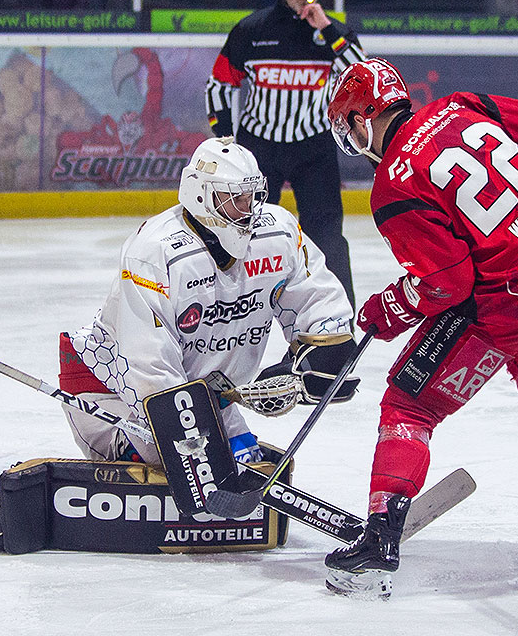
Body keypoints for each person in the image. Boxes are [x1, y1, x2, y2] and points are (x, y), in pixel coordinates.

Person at [321, 58, 518, 598]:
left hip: (505, 311)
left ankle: (380, 537)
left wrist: (387, 307)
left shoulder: (392, 187)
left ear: (362, 120)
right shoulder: (461, 105)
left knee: (409, 406)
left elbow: (446, 287)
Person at [56, 136, 356, 471]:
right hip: (108, 385)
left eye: (251, 195)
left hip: (206, 396)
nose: (249, 209)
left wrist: (317, 359)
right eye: (234, 199)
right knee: (173, 459)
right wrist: (196, 445)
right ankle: (134, 451)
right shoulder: (157, 251)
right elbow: (148, 366)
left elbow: (319, 301)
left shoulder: (278, 231)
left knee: (238, 461)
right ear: (201, 196)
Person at [205, 0, 367, 308]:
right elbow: (219, 85)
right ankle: (227, 311)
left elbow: (361, 75)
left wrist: (327, 29)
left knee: (328, 237)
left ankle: (338, 320)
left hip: (314, 149)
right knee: (241, 232)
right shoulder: (252, 29)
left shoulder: (334, 32)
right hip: (259, 150)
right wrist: (224, 139)